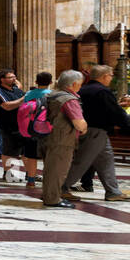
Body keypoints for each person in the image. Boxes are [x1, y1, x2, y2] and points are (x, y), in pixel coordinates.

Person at [61, 64, 130, 203]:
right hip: (95, 131)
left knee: (106, 160)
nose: (111, 78)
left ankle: (113, 192)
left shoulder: (83, 89)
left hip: (89, 130)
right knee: (82, 162)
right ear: (104, 76)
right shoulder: (102, 91)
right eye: (110, 76)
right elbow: (116, 112)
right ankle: (61, 188)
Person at [41, 71, 88, 208]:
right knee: (58, 170)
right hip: (63, 139)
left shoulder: (52, 95)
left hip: (48, 136)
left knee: (50, 168)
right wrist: (84, 128)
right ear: (73, 84)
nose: (80, 87)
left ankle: (48, 194)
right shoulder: (69, 100)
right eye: (79, 84)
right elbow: (79, 123)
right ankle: (52, 199)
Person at [17, 71, 53, 189]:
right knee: (48, 156)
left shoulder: (29, 94)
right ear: (51, 82)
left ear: (36, 82)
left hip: (31, 128)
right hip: (48, 128)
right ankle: (48, 180)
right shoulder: (53, 94)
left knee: (31, 156)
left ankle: (31, 181)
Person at [0, 69, 27, 182]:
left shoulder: (16, 90)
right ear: (2, 79)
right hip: (8, 124)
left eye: (14, 76)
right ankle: (8, 173)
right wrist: (24, 99)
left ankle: (29, 173)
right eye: (10, 77)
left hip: (22, 124)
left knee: (25, 151)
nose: (14, 79)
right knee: (9, 151)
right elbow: (7, 106)